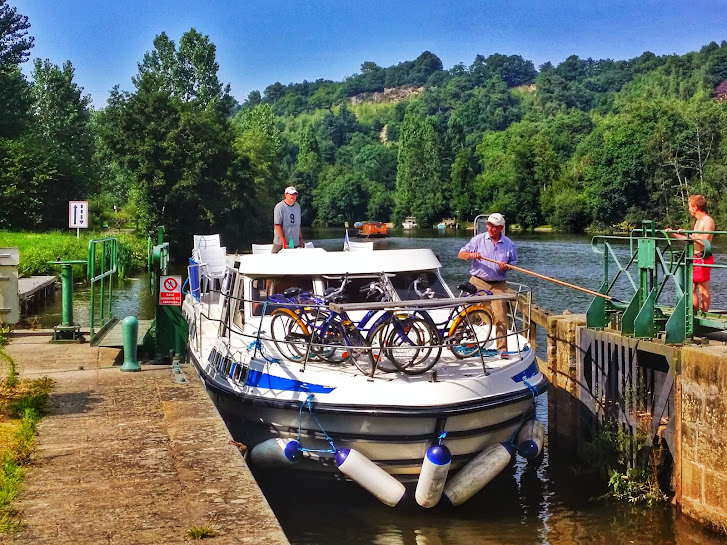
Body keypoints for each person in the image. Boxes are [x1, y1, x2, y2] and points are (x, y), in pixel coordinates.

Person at [458, 212, 517, 358]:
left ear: (501, 228)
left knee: (501, 316)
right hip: (478, 281)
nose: (491, 228)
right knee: (465, 309)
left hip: (498, 284)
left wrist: (507, 266)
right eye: (490, 225)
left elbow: (513, 263)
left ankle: (502, 350)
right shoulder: (478, 240)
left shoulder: (509, 244)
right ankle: (454, 340)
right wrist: (471, 255)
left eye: (495, 226)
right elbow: (461, 254)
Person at [666, 195, 715, 312]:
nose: (689, 209)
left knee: (703, 289)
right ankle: (693, 314)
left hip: (702, 257)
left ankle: (704, 315)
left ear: (695, 207)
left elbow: (705, 242)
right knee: (690, 288)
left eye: (690, 207)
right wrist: (673, 234)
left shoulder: (708, 221)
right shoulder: (698, 221)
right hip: (694, 257)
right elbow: (691, 240)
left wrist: (688, 234)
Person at [272, 186, 305, 254]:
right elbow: (277, 225)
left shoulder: (297, 207)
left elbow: (297, 225)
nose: (293, 196)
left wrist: (301, 238)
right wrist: (283, 241)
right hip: (281, 243)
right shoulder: (280, 207)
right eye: (291, 194)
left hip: (295, 242)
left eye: (295, 194)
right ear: (286, 195)